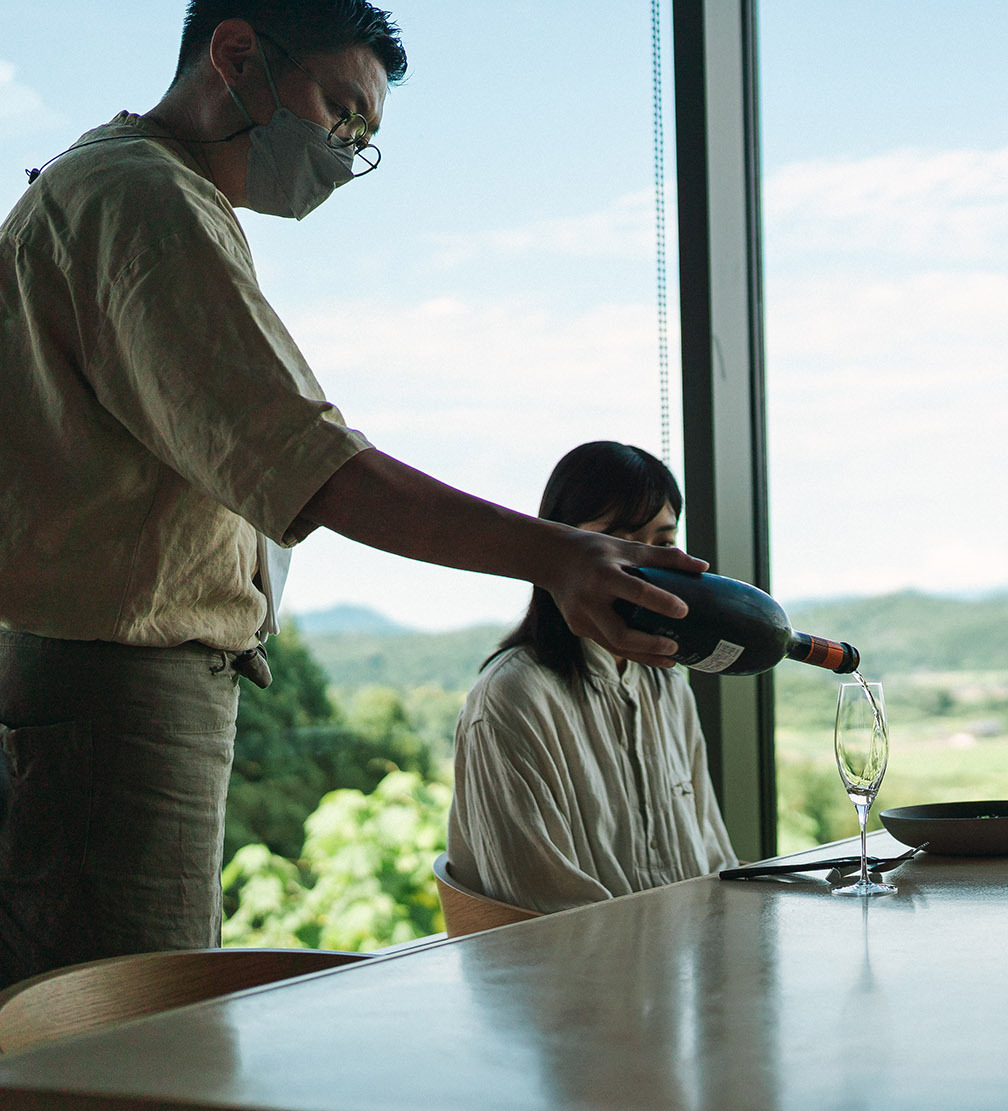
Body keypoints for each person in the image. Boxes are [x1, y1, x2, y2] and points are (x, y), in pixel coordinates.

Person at [0, 2, 702, 989]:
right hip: (112, 689)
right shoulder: (142, 201)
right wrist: (554, 556)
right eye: (340, 112)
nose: (340, 151)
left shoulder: (120, 191)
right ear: (237, 53)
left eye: (361, 140)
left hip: (115, 687)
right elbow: (312, 463)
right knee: (119, 1048)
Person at [447, 443, 738, 914]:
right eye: (620, 542)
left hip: (684, 974)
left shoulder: (668, 688)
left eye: (663, 544)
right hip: (577, 982)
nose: (647, 567)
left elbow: (716, 863)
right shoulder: (512, 699)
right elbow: (545, 918)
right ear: (563, 549)